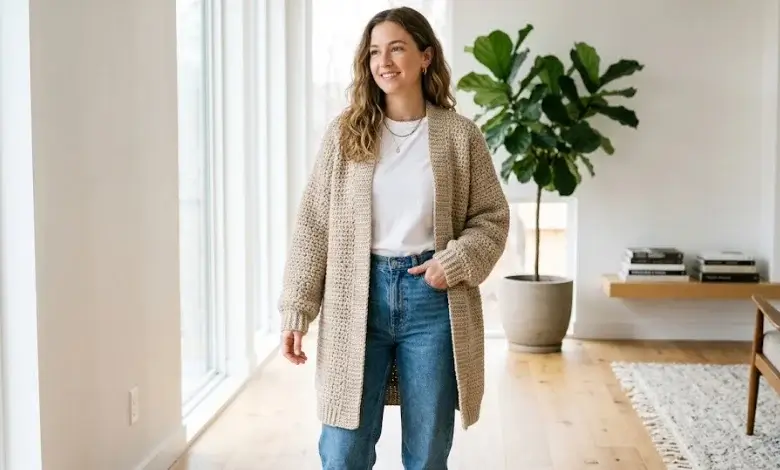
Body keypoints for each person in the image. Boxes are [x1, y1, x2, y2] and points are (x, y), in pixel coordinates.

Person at [278, 6, 509, 469]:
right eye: (374, 52)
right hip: (355, 301)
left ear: (425, 57)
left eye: (396, 48)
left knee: (427, 453)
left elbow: (492, 217)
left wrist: (456, 262)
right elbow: (313, 224)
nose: (384, 61)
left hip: (432, 299)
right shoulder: (347, 134)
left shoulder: (460, 136)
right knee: (343, 451)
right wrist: (297, 308)